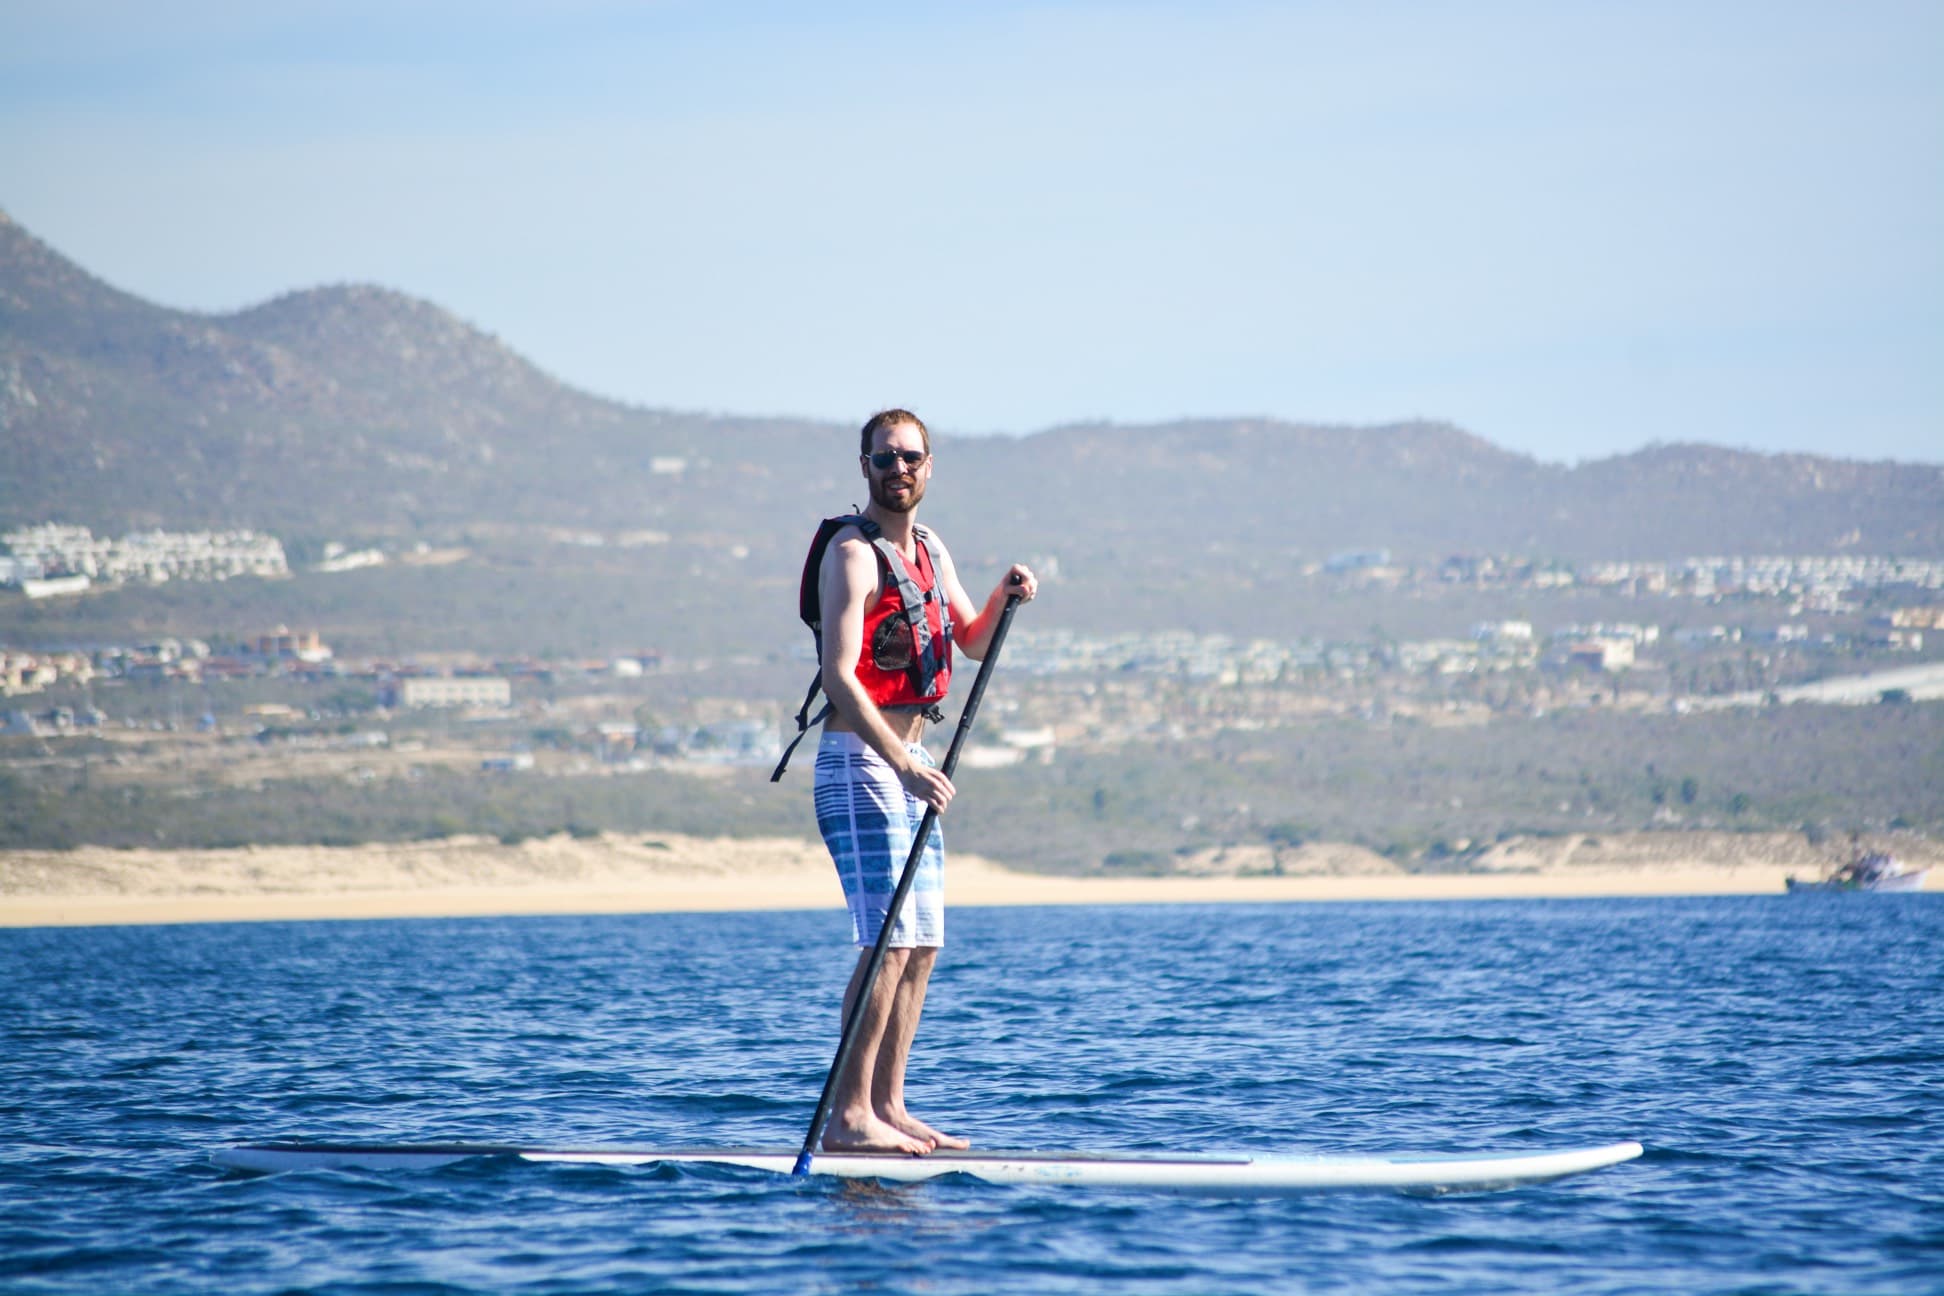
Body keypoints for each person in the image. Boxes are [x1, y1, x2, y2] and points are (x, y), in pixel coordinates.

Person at [809, 408, 1036, 1155]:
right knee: (887, 943)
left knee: (923, 943)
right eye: (883, 460)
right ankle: (848, 1117)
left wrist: (1006, 595)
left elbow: (969, 641)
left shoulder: (932, 550)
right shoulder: (851, 554)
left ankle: (888, 1103)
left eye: (909, 457)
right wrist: (903, 762)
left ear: (929, 467)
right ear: (865, 468)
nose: (896, 470)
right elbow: (841, 678)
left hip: (913, 770)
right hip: (864, 765)